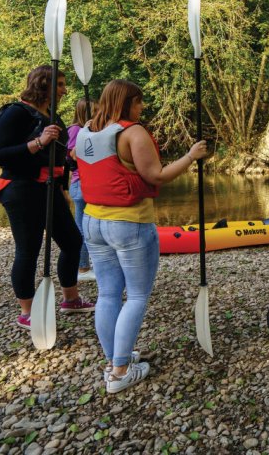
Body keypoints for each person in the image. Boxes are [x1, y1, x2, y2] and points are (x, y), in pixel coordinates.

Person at [75, 79, 207, 394]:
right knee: (135, 295)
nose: (141, 107)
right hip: (128, 222)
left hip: (92, 221)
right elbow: (156, 175)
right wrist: (191, 156)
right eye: (139, 101)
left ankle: (114, 360)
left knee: (108, 294)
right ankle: (120, 372)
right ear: (126, 102)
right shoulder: (133, 133)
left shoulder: (84, 132)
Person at [0, 65, 95, 330]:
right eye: (59, 84)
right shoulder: (15, 112)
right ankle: (27, 311)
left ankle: (70, 299)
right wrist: (38, 142)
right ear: (42, 85)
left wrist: (62, 185)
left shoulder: (52, 115)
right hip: (21, 188)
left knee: (72, 241)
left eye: (63, 84)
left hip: (49, 189)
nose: (64, 89)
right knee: (29, 249)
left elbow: (59, 156)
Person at [66, 99, 95, 283]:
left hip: (86, 184)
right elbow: (72, 155)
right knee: (82, 229)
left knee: (88, 227)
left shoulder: (87, 130)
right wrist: (87, 132)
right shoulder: (76, 130)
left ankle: (85, 266)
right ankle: (83, 268)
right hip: (80, 184)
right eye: (96, 111)